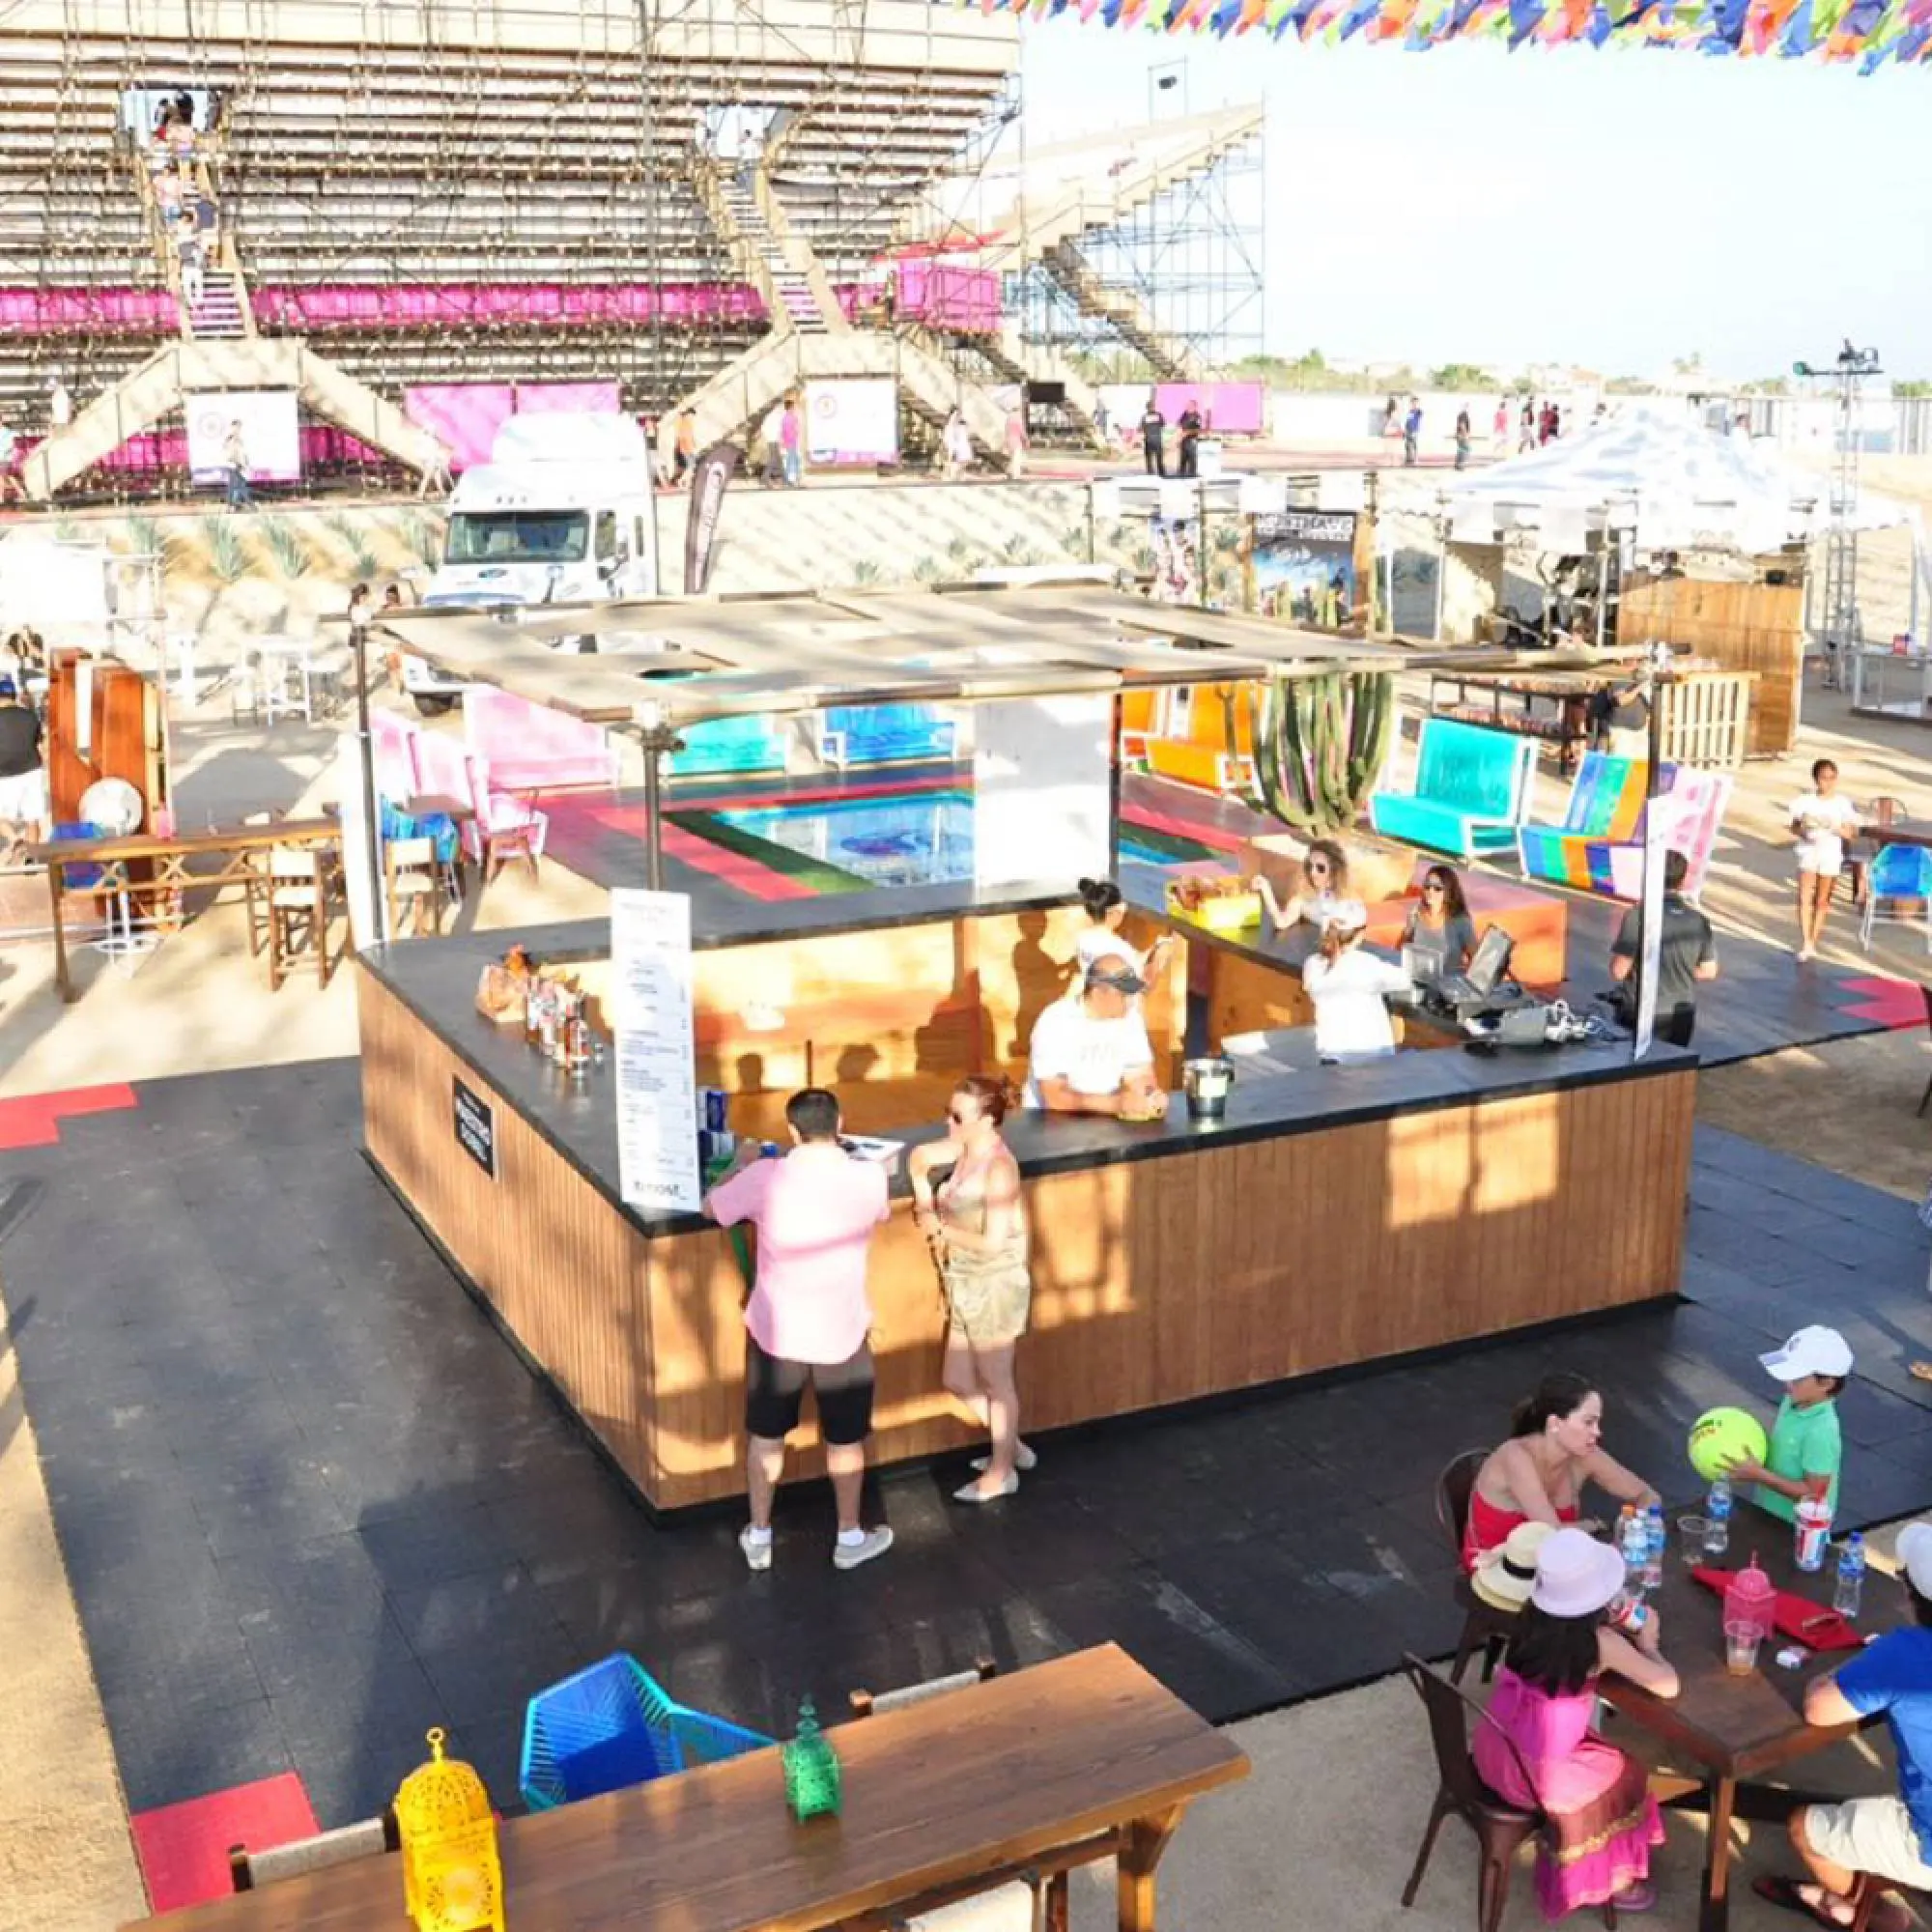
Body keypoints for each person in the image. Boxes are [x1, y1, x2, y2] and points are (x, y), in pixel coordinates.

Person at [703, 1088, 895, 1574]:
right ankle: (849, 1536)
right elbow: (879, 1210)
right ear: (840, 1124)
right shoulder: (869, 1177)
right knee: (845, 1440)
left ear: (792, 1131)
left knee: (767, 1437)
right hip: (842, 1330)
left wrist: (739, 1165)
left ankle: (760, 1534)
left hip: (778, 1332)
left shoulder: (767, 1177)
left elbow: (712, 1208)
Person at [1474, 1526, 1677, 1920]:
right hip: (1538, 1775)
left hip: (1497, 1747)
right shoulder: (1599, 1643)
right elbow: (1668, 1685)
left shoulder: (1529, 1619)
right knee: (1627, 1774)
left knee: (1608, 1757)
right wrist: (1648, 1644)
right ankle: (1616, 1879)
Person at [1758, 1519, 1932, 1932]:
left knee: (1804, 1826)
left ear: (1910, 1594)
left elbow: (1819, 1708)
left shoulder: (1906, 1651)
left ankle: (1867, 1915)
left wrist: (1859, 1665)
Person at [908, 1076, 1033, 1502]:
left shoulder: (999, 1169)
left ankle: (1001, 1471)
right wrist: (922, 1190)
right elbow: (920, 1158)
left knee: (997, 1383)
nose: (949, 1122)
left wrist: (939, 1227)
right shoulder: (964, 1149)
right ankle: (1010, 1446)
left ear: (987, 1121)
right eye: (949, 1113)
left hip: (994, 1283)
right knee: (958, 1379)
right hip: (964, 1280)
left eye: (958, 1116)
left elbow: (994, 1242)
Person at [1463, 1372, 1661, 1573]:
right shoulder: (1515, 1457)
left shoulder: (1585, 1454)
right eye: (1588, 1422)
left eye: (1597, 1423)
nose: (1597, 1432)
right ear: (1555, 1424)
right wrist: (1587, 1527)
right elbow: (1554, 1536)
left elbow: (1648, 1496)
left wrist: (1635, 1533)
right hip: (1495, 1573)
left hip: (1554, 1567)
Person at [1719, 1323, 1850, 1528]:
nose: (1787, 1383)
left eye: (1797, 1378)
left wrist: (1759, 1475)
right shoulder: (1792, 1401)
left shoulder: (1821, 1432)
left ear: (1826, 1383)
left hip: (1796, 1530)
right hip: (1767, 1513)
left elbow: (1813, 1495)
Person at [1023, 953, 1161, 1117]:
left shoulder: (1131, 1019)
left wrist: (1150, 1096)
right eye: (1124, 995)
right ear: (1097, 992)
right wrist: (1116, 1104)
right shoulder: (1056, 1021)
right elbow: (1055, 1097)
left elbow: (1139, 1074)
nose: (1131, 1002)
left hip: (1106, 1120)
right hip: (1050, 1121)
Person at [1609, 850, 1717, 1047]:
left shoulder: (1638, 916)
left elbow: (1619, 971)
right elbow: (1709, 971)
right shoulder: (1699, 920)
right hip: (1681, 1013)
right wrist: (1679, 972)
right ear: (1682, 881)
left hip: (1642, 1011)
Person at [1300, 902, 1409, 1064]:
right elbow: (1407, 979)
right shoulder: (1367, 964)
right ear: (1360, 935)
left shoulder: (1312, 964)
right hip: (1372, 1060)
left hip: (1331, 1059)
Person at [1790, 757, 1861, 962]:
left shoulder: (1842, 804)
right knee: (1804, 897)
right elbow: (1795, 826)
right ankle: (1806, 942)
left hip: (1830, 853)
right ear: (1816, 779)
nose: (1828, 783)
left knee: (1822, 900)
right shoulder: (1805, 802)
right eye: (1823, 778)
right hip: (1809, 851)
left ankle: (1814, 939)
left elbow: (1852, 834)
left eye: (1832, 778)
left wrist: (1837, 828)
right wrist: (1804, 831)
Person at [1073, 875, 1175, 980]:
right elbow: (1143, 982)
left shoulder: (1081, 938)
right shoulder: (1120, 948)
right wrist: (1160, 954)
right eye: (1121, 907)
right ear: (1112, 912)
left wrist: (1153, 948)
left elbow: (1132, 961)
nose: (1123, 912)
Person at [1253, 838, 1349, 933]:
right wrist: (1265, 888)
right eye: (1310, 866)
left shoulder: (1345, 896)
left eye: (1320, 868)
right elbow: (1281, 922)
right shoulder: (1303, 899)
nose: (1313, 872)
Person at [0, 677, 47, 867]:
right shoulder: (30, 716)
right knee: (32, 818)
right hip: (32, 770)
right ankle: (32, 858)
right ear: (14, 695)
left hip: (4, 773)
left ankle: (16, 840)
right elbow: (41, 744)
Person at [1401, 864, 1477, 976]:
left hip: (1449, 981)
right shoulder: (1415, 915)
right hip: (1419, 978)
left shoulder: (1460, 921)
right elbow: (1402, 952)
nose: (1431, 891)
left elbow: (1475, 958)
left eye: (1437, 888)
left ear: (1448, 891)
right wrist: (1407, 929)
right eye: (1427, 886)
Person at [175, 209, 204, 311]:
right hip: (186, 262)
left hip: (195, 263)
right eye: (183, 219)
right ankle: (190, 303)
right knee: (186, 285)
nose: (184, 221)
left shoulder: (193, 228)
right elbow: (180, 241)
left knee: (198, 283)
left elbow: (198, 240)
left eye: (186, 219)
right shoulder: (179, 230)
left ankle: (199, 302)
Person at [222, 417, 250, 509]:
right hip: (234, 464)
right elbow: (233, 453)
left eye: (239, 427)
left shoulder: (237, 439)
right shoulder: (232, 439)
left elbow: (243, 453)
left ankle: (234, 504)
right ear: (233, 427)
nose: (238, 429)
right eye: (236, 427)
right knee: (236, 485)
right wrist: (240, 463)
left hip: (238, 464)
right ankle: (233, 504)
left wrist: (245, 463)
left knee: (238, 484)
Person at [757, 399, 783, 487]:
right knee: (773, 459)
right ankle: (765, 477)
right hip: (773, 439)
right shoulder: (775, 415)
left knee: (777, 458)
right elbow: (778, 427)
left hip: (772, 439)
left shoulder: (772, 415)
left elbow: (763, 427)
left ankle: (777, 476)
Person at [779, 392, 802, 488]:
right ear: (790, 407)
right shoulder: (791, 418)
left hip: (790, 442)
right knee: (793, 460)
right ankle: (794, 479)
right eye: (793, 407)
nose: (794, 408)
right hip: (792, 441)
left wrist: (784, 442)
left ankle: (791, 479)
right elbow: (793, 430)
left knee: (792, 460)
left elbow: (783, 431)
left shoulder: (785, 418)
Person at [1176, 399, 1203, 480]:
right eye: (1187, 405)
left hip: (1192, 441)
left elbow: (1198, 430)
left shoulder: (1197, 416)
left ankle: (1192, 476)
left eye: (1189, 405)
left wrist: (1187, 432)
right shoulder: (1184, 415)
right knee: (1183, 460)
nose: (1187, 407)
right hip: (1183, 440)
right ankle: (1181, 476)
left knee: (1192, 460)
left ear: (1194, 407)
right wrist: (1178, 436)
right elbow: (1179, 424)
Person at [1140, 399, 1166, 478]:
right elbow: (1163, 424)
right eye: (1151, 406)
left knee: (1151, 459)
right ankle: (1159, 474)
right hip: (1155, 439)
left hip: (1150, 439)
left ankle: (1153, 474)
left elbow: (1142, 427)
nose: (1151, 408)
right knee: (1156, 458)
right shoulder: (1158, 415)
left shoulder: (1145, 416)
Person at [1004, 405, 1029, 481]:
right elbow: (1021, 431)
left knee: (1012, 458)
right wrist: (1026, 439)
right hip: (1016, 440)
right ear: (1018, 410)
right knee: (1016, 458)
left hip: (1009, 440)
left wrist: (1005, 442)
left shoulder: (1008, 419)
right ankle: (1015, 474)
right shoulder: (1018, 419)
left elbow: (1006, 431)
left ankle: (1009, 471)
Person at [674, 406, 696, 481]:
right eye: (691, 415)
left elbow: (690, 434)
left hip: (689, 448)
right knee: (690, 466)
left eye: (693, 416)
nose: (692, 418)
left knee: (691, 466)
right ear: (688, 414)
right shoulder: (682, 421)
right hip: (684, 448)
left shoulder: (688, 423)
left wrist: (693, 442)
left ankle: (684, 480)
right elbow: (680, 436)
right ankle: (681, 480)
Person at [1403, 397, 1422, 467]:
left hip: (1414, 430)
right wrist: (1405, 429)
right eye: (1413, 403)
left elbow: (1420, 414)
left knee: (1414, 444)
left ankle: (1415, 459)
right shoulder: (1410, 411)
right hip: (1408, 430)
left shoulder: (1418, 411)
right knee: (1407, 445)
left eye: (1416, 403)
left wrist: (1417, 408)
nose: (1414, 404)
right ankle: (1408, 458)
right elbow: (1407, 421)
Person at [1454, 406, 1471, 471]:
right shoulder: (1464, 416)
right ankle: (1460, 465)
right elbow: (1462, 426)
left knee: (1461, 450)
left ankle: (1457, 465)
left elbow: (1459, 425)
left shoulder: (1460, 416)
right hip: (1462, 436)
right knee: (1465, 450)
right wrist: (1465, 435)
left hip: (1459, 435)